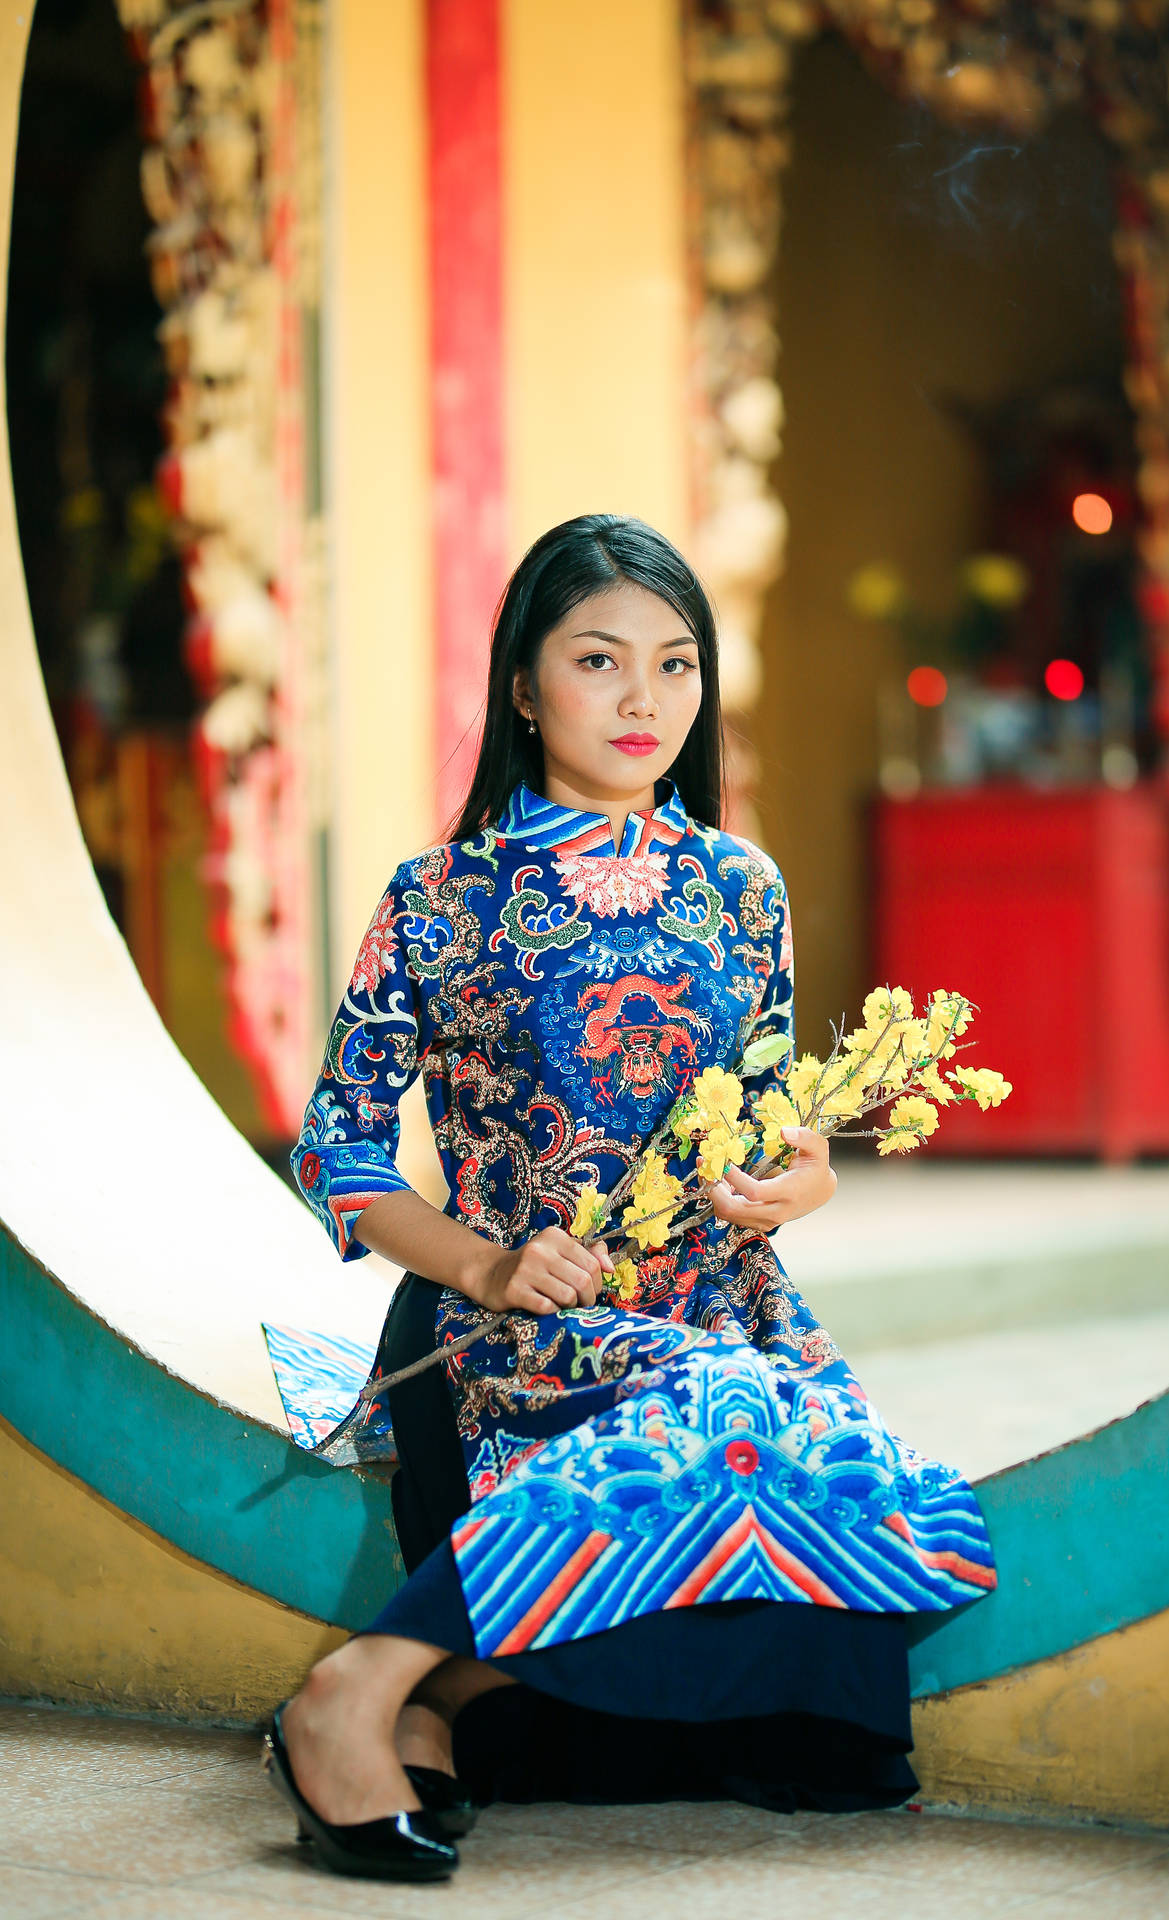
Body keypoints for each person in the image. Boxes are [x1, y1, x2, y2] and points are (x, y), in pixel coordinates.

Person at [264, 514, 996, 1881]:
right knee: (721, 1426)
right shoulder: (441, 898)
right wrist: (482, 1267)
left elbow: (781, 1121)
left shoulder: (742, 888)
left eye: (675, 664)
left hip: (723, 1308)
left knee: (839, 1735)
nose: (644, 699)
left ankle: (453, 1701)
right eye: (600, 660)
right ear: (524, 688)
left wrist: (797, 1180)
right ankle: (358, 1688)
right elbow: (341, 1153)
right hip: (514, 1337)